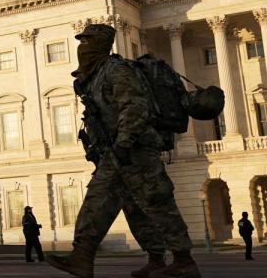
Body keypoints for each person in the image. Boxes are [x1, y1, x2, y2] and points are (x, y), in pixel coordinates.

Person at [48, 23, 201, 278]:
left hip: (135, 150)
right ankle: (152, 259)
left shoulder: (117, 71)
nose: (82, 48)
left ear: (100, 45)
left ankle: (184, 261)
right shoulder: (96, 75)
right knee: (131, 208)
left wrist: (124, 144)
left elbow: (135, 108)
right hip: (116, 151)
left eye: (87, 42)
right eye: (81, 43)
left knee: (156, 203)